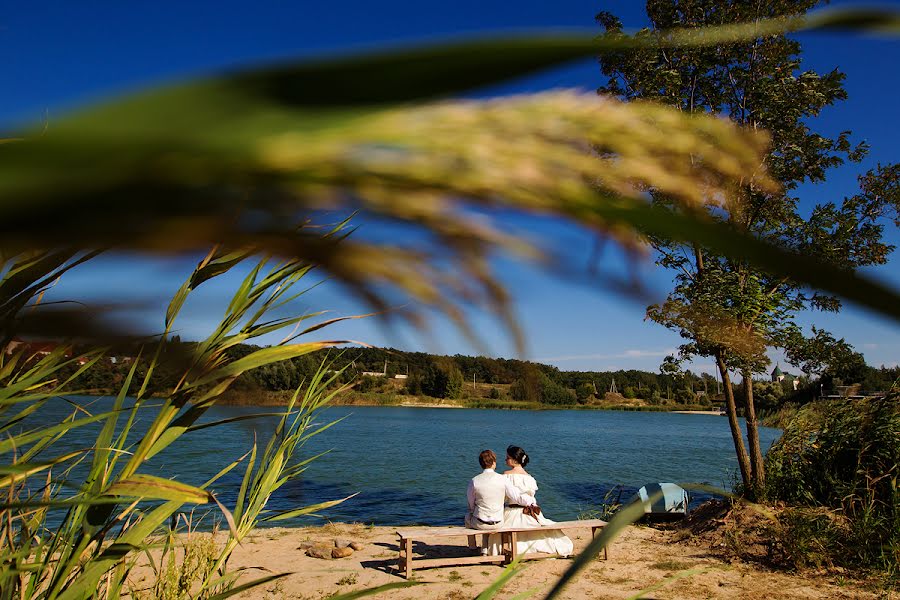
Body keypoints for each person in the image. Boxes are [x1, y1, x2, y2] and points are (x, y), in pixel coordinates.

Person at [486, 445, 574, 557]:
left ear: (514, 460)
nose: (505, 460)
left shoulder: (506, 476)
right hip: (529, 511)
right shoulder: (530, 478)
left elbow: (503, 497)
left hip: (512, 511)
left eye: (507, 457)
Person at [466, 449, 537, 534]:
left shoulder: (474, 480)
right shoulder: (503, 479)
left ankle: (473, 547)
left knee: (468, 517)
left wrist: (473, 510)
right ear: (494, 463)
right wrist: (531, 502)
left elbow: (471, 502)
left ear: (481, 464)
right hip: (498, 523)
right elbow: (517, 496)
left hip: (480, 523)